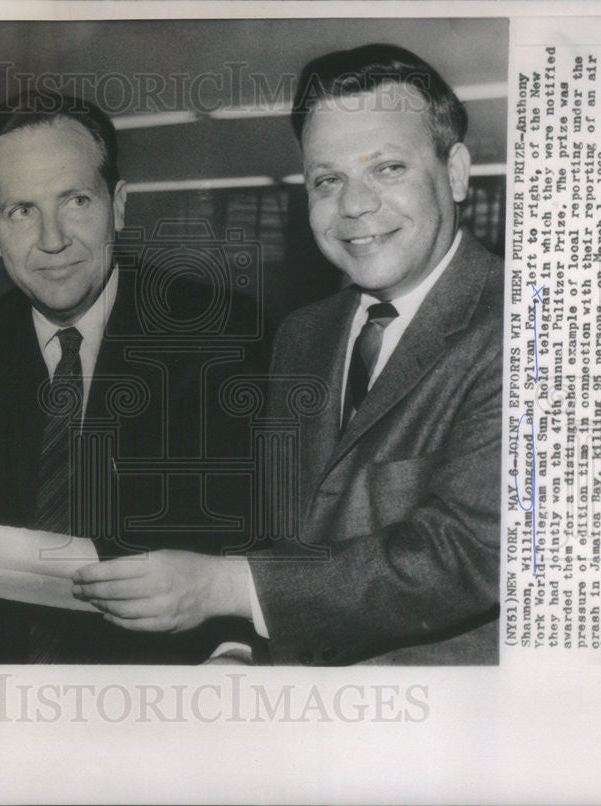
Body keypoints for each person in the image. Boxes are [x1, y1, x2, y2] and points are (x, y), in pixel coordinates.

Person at [73, 44, 503, 665]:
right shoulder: (305, 334)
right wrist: (236, 648)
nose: (354, 206)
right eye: (329, 180)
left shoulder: (528, 331)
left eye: (387, 168)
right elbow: (277, 528)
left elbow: (465, 553)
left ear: (457, 171)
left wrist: (226, 588)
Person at [0, 90, 269, 663]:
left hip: (170, 687)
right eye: (21, 211)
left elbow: (260, 534)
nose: (52, 240)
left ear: (118, 205)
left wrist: (235, 653)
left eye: (75, 200)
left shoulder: (222, 337)